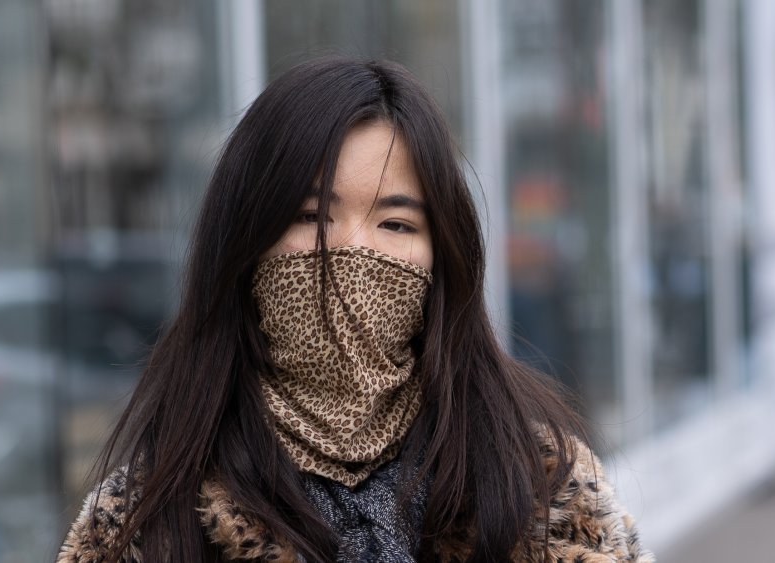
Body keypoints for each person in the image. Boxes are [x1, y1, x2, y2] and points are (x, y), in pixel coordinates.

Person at [57, 56, 654, 563]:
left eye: (395, 222)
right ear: (245, 242)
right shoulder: (144, 523)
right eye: (311, 217)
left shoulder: (544, 484)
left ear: (441, 257)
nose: (352, 251)